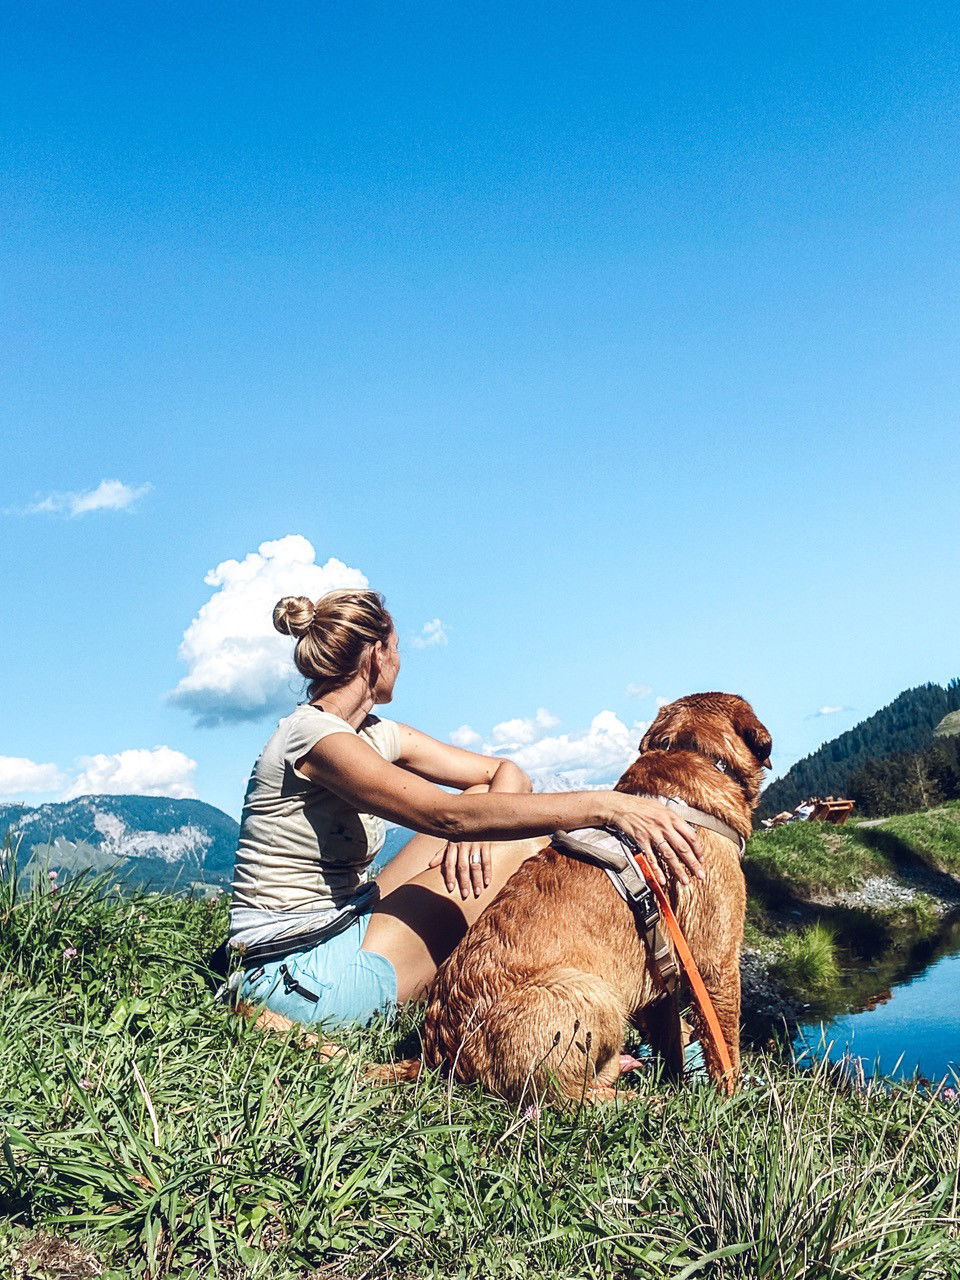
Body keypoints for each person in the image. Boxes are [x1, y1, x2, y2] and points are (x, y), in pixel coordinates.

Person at [228, 588, 702, 1029]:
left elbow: (503, 771)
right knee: (523, 845)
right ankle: (561, 1011)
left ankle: (558, 1001)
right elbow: (443, 816)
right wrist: (607, 806)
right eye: (397, 648)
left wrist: (480, 832)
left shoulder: (371, 732)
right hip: (294, 972)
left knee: (485, 807)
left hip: (341, 921)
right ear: (377, 654)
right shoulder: (316, 738)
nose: (401, 661)